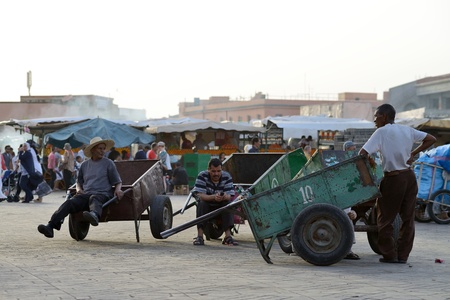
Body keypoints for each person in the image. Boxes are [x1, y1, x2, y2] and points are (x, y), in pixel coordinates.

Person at [359, 104, 436, 264]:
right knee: (408, 219)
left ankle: (389, 255)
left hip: (393, 179)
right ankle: (402, 256)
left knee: (385, 218)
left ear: (384, 116)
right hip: (409, 177)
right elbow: (431, 139)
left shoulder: (381, 132)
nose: (374, 120)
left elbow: (362, 153)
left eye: (376, 116)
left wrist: (370, 165)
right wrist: (413, 153)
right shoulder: (407, 130)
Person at [37, 137, 124, 238]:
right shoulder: (84, 165)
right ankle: (50, 226)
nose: (102, 151)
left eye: (103, 148)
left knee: (94, 198)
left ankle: (94, 215)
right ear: (93, 150)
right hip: (86, 194)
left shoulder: (108, 163)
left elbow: (117, 181)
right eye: (100, 148)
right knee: (69, 202)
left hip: (103, 194)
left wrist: (118, 190)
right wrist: (79, 189)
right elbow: (79, 182)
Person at [192, 158, 238, 246]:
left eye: (218, 171)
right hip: (207, 204)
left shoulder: (226, 176)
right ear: (208, 169)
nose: (216, 174)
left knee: (228, 205)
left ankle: (227, 237)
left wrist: (223, 196)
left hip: (221, 204)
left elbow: (229, 196)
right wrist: (213, 197)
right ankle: (200, 237)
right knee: (201, 204)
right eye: (213, 171)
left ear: (222, 170)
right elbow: (200, 195)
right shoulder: (202, 176)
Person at [342, 140, 360, 260]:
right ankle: (345, 250)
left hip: (349, 194)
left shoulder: (355, 162)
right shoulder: (342, 161)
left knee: (348, 216)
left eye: (354, 149)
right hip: (341, 194)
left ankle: (348, 249)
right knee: (345, 217)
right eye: (351, 150)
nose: (353, 152)